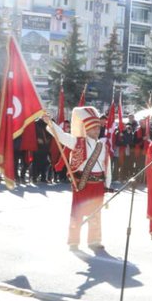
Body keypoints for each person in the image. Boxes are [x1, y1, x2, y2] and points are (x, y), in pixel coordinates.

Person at [42, 107, 110, 252]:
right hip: (82, 183)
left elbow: (107, 166)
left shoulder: (102, 146)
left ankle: (94, 240)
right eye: (93, 128)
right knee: (77, 213)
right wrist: (50, 123)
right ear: (86, 129)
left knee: (96, 213)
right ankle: (73, 241)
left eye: (98, 128)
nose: (96, 131)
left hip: (98, 184)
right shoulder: (77, 142)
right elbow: (61, 136)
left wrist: (108, 184)